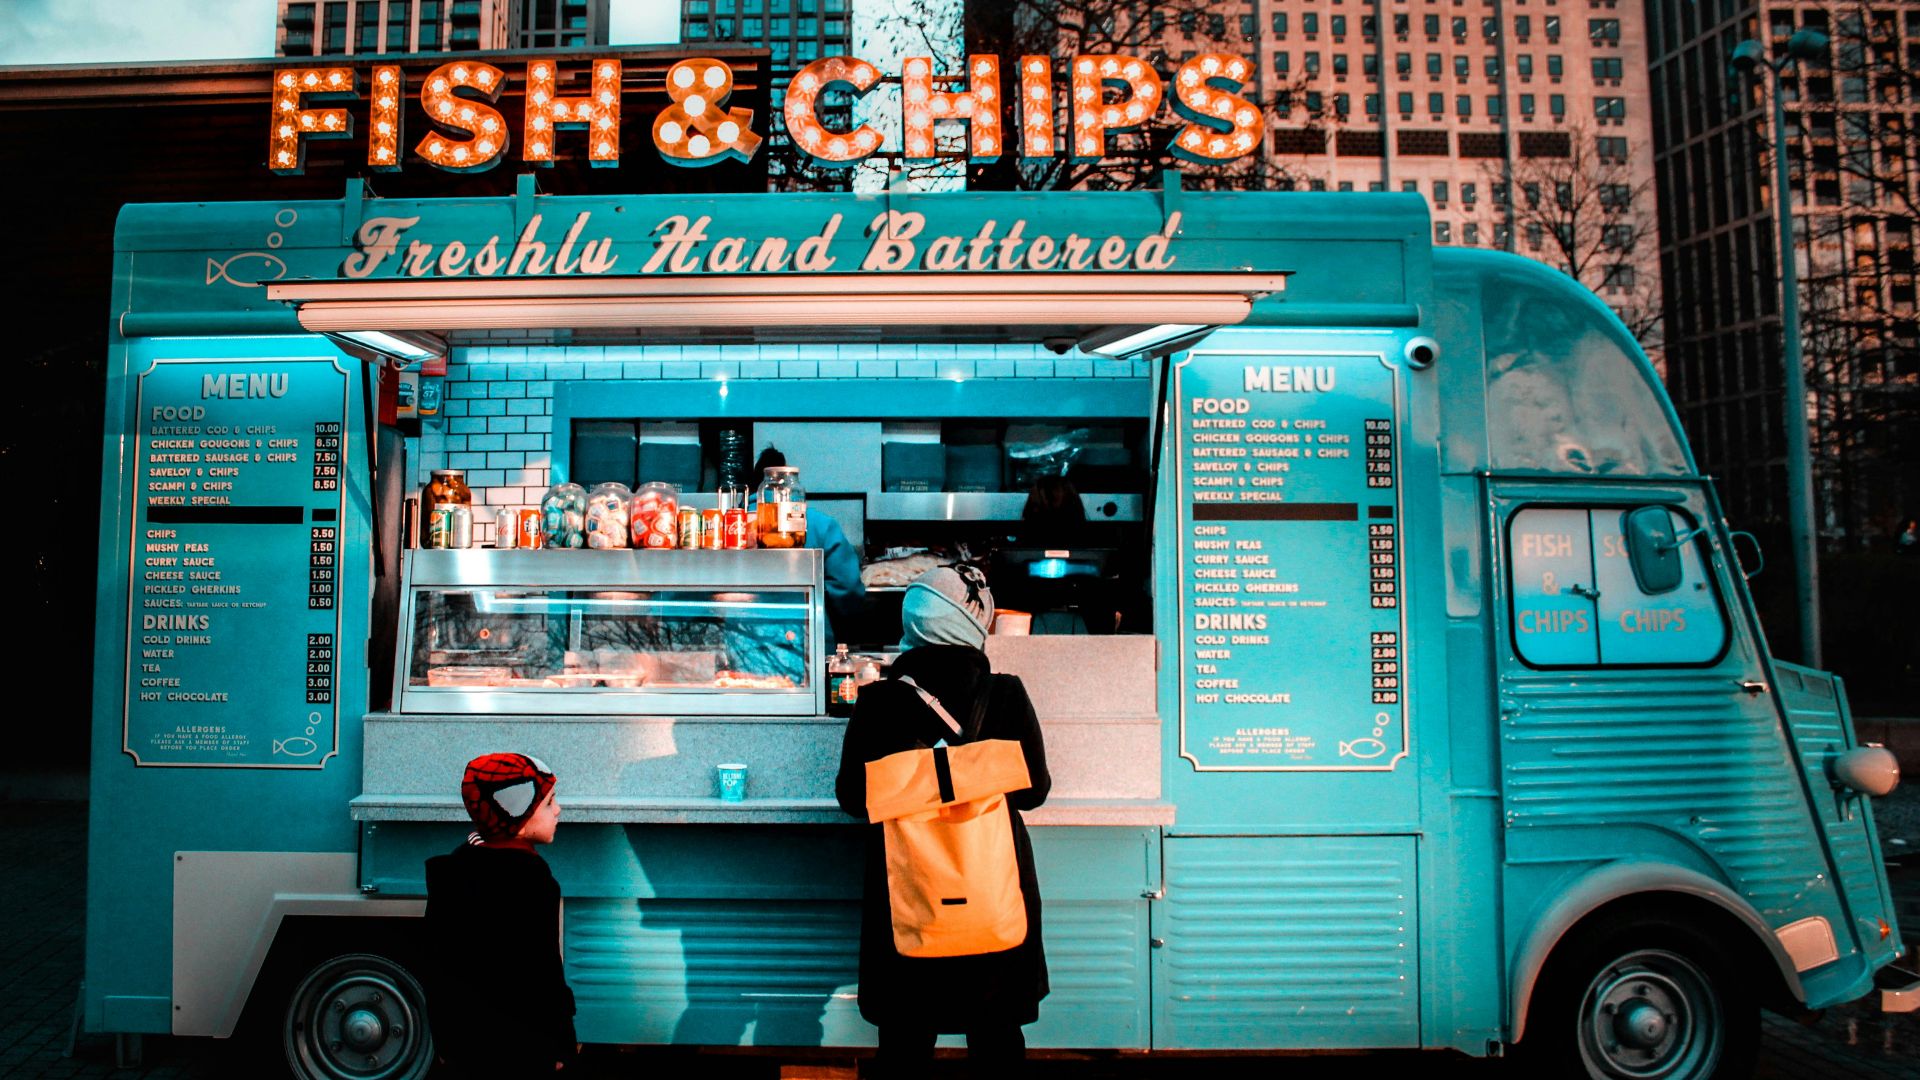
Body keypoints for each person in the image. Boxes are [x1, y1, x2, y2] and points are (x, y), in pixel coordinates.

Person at [834, 565, 1051, 1077]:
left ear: (914, 624)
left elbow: (853, 798)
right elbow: (1034, 792)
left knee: (905, 1044)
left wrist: (917, 779)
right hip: (992, 893)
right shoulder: (1005, 694)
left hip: (909, 897)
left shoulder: (879, 700)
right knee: (997, 1040)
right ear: (975, 623)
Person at [423, 753, 577, 1076]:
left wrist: (445, 1043)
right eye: (549, 803)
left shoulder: (456, 868)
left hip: (466, 1047)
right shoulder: (533, 881)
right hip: (523, 1048)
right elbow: (543, 972)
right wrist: (562, 1041)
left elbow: (438, 967)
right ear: (517, 817)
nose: (559, 810)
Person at [752, 446, 867, 646]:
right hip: (807, 640)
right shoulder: (821, 525)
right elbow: (847, 587)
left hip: (746, 637)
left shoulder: (732, 527)